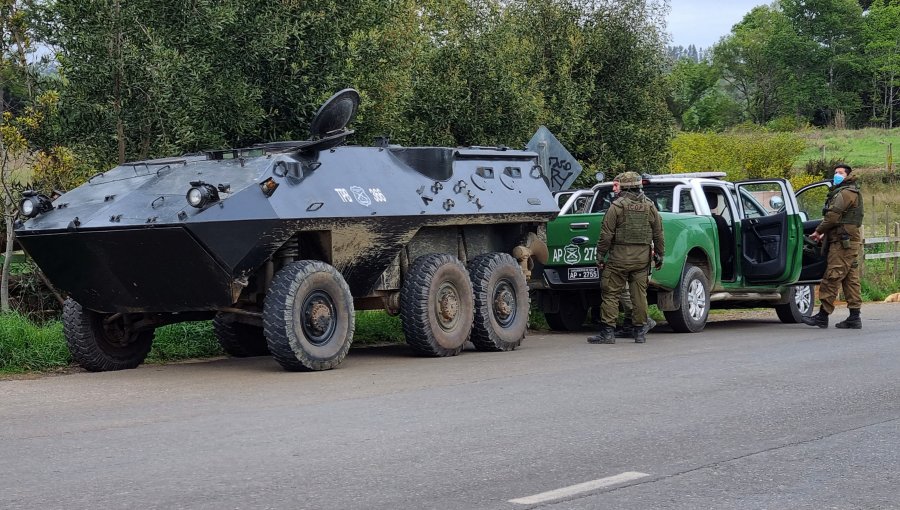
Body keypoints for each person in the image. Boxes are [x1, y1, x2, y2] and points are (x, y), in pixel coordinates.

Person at [588, 171, 664, 344]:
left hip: (618, 259)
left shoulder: (617, 207)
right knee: (639, 295)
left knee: (611, 294)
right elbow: (658, 233)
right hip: (642, 260)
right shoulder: (650, 206)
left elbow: (606, 235)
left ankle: (607, 333)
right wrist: (660, 255)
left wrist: (600, 256)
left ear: (624, 187)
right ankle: (639, 333)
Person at [802, 163, 864, 329]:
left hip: (843, 243)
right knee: (851, 279)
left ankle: (823, 315)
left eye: (840, 172)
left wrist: (818, 231)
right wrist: (825, 233)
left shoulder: (845, 193)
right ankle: (854, 316)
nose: (837, 175)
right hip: (848, 240)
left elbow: (832, 217)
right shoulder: (850, 191)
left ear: (847, 175)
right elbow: (840, 219)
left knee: (832, 276)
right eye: (835, 172)